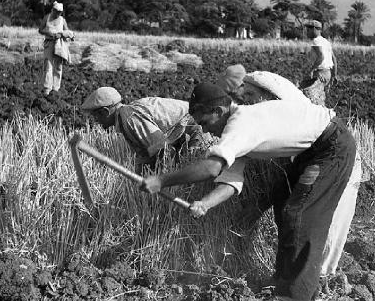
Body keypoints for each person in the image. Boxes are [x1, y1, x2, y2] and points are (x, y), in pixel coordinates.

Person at [141, 83, 357, 301]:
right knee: (284, 207)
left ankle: (295, 295)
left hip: (332, 146)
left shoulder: (240, 123)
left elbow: (212, 167)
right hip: (310, 152)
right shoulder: (236, 131)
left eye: (205, 122)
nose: (204, 130)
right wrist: (206, 203)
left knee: (300, 214)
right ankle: (284, 283)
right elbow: (230, 182)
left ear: (218, 111)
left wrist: (161, 180)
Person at [215, 69, 364, 278]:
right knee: (289, 213)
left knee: (322, 221)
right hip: (310, 161)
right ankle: (290, 276)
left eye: (251, 96)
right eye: (244, 96)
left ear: (272, 97)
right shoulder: (258, 123)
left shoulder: (292, 112)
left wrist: (256, 208)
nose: (248, 103)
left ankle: (318, 278)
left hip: (333, 158)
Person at [81, 87, 206, 173]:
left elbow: (164, 150)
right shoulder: (125, 117)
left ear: (105, 112)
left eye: (95, 116)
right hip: (182, 132)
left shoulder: (130, 119)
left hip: (196, 127)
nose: (96, 120)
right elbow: (147, 154)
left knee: (188, 171)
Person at [39, 1, 73, 96]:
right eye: (56, 11)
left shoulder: (62, 20)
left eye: (59, 12)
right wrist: (48, 33)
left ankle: (56, 88)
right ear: (53, 10)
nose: (58, 13)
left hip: (59, 45)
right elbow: (40, 30)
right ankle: (47, 88)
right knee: (48, 65)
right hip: (49, 43)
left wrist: (67, 35)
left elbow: (67, 31)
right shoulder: (47, 17)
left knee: (58, 66)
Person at [302, 20, 337, 106]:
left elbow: (321, 56)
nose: (307, 31)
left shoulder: (316, 41)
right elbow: (334, 60)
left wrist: (312, 70)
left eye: (309, 29)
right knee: (318, 97)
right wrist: (333, 76)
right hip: (327, 73)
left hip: (319, 74)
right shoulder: (326, 42)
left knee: (310, 98)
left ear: (315, 29)